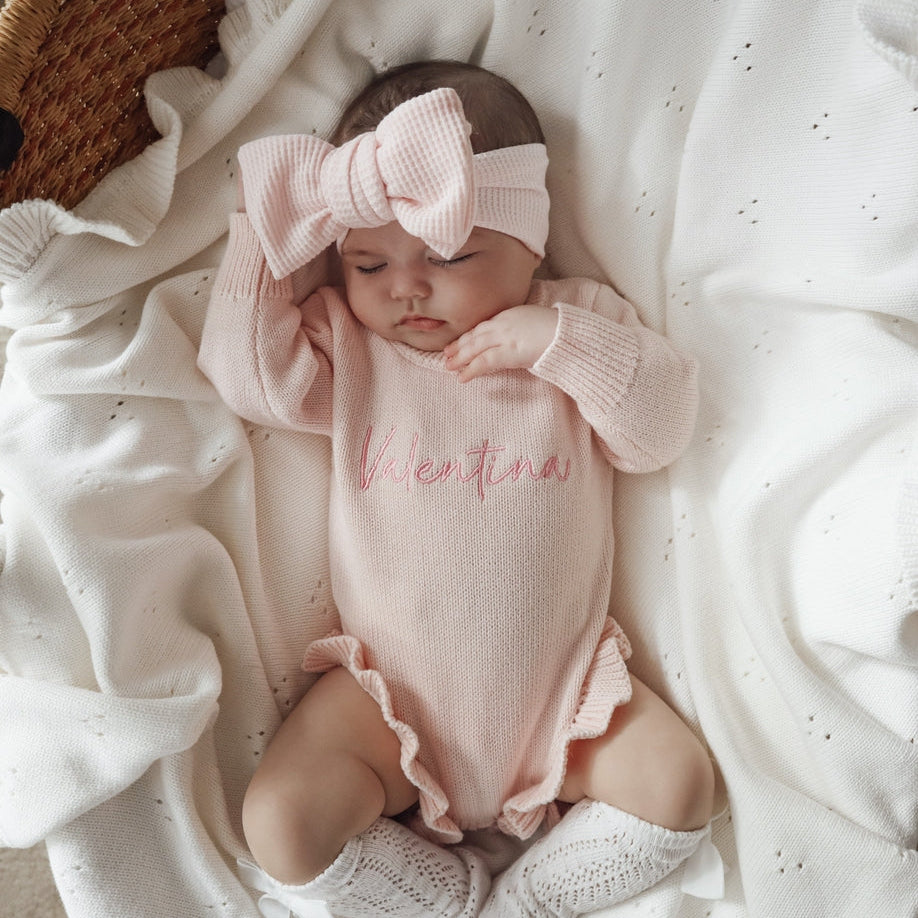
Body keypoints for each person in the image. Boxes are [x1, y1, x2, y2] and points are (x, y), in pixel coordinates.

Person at [198, 60, 719, 918]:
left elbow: (659, 428)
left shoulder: (579, 324)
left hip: (567, 699)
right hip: (386, 700)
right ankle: (439, 901)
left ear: (532, 242)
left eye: (449, 254)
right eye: (367, 264)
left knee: (679, 783)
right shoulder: (354, 353)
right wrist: (270, 230)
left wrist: (558, 343)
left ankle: (532, 902)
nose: (404, 287)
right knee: (281, 822)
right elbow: (248, 376)